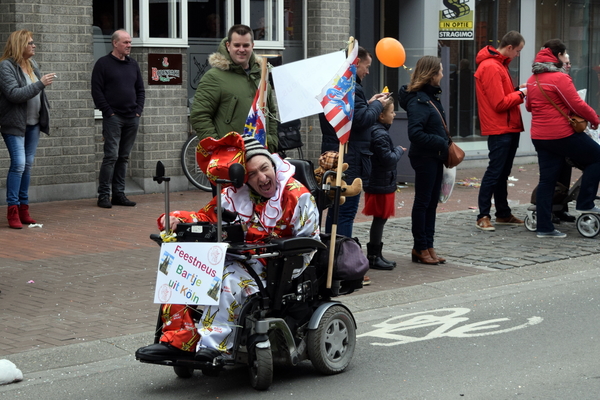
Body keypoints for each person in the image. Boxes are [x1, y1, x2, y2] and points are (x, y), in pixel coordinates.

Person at [136, 133, 320, 362]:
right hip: (237, 256)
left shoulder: (296, 196)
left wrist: (271, 251)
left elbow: (308, 242)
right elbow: (206, 216)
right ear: (244, 178)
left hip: (277, 264)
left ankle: (215, 347)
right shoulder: (235, 194)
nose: (262, 177)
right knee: (181, 266)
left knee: (226, 279)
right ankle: (179, 340)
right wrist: (177, 220)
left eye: (265, 168)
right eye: (252, 173)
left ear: (273, 164)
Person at [525, 39, 600, 238]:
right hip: (561, 135)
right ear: (558, 56)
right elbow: (576, 104)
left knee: (547, 180)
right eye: (566, 55)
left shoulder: (533, 79)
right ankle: (585, 203)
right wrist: (594, 119)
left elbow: (529, 107)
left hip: (540, 136)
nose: (567, 59)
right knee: (597, 157)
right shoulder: (560, 78)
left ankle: (544, 227)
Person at [319, 46, 390, 238]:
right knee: (345, 210)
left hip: (340, 152)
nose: (367, 72)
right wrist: (378, 105)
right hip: (349, 156)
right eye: (366, 67)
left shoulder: (335, 86)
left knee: (337, 208)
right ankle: (342, 255)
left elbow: (350, 115)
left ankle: (334, 253)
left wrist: (368, 104)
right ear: (356, 63)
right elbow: (360, 121)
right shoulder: (350, 87)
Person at [190, 24, 278, 161]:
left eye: (246, 45)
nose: (241, 50)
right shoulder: (214, 77)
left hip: (261, 155)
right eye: (237, 45)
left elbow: (271, 112)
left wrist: (271, 141)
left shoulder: (261, 75)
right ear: (228, 46)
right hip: (229, 159)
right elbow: (199, 116)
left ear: (252, 45)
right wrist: (219, 147)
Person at [0, 30, 55, 229]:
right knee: (19, 164)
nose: (34, 46)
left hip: (33, 124)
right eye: (30, 43)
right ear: (19, 45)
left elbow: (39, 95)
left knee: (28, 165)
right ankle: (12, 210)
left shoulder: (33, 65)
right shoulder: (6, 66)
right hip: (14, 124)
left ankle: (24, 209)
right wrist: (41, 84)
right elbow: (14, 94)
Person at [474, 30, 526, 232]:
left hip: (507, 126)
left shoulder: (498, 65)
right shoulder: (492, 67)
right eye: (518, 50)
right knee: (495, 172)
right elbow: (499, 103)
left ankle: (503, 213)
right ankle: (483, 215)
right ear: (510, 47)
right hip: (500, 127)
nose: (518, 55)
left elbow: (503, 97)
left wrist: (516, 92)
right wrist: (521, 94)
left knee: (502, 173)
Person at [399, 55, 447, 265]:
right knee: (423, 202)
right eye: (440, 71)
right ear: (432, 74)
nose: (443, 75)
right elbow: (415, 134)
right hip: (425, 157)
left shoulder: (430, 97)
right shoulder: (419, 100)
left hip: (435, 156)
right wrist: (440, 141)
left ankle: (428, 245)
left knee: (432, 203)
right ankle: (420, 247)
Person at [91, 29, 145, 209]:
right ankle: (104, 195)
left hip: (132, 117)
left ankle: (119, 194)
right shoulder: (103, 64)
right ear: (115, 43)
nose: (129, 45)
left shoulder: (133, 64)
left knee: (123, 157)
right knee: (111, 156)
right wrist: (108, 112)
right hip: (114, 118)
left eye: (130, 42)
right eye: (126, 42)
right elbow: (96, 91)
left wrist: (138, 111)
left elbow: (140, 90)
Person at [362, 98, 405, 270]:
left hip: (381, 180)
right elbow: (388, 159)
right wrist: (398, 151)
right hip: (381, 181)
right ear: (381, 115)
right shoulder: (379, 133)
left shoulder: (377, 131)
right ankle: (373, 256)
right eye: (392, 112)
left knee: (380, 219)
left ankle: (376, 254)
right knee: (380, 219)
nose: (394, 115)